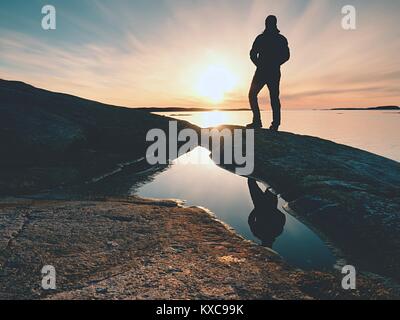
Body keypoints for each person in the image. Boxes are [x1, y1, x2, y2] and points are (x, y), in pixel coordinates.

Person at [247, 15, 290, 131]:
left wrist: (267, 64)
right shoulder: (268, 38)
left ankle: (271, 124)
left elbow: (286, 56)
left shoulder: (277, 39)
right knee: (259, 95)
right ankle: (264, 123)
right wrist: (262, 64)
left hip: (267, 71)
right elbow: (252, 54)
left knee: (271, 97)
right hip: (267, 71)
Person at [247, 178, 286, 248]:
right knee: (253, 183)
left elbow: (282, 217)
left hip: (265, 205)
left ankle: (255, 170)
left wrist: (274, 210)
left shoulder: (277, 232)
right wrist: (256, 209)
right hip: (262, 205)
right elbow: (250, 220)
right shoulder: (258, 233)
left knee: (270, 186)